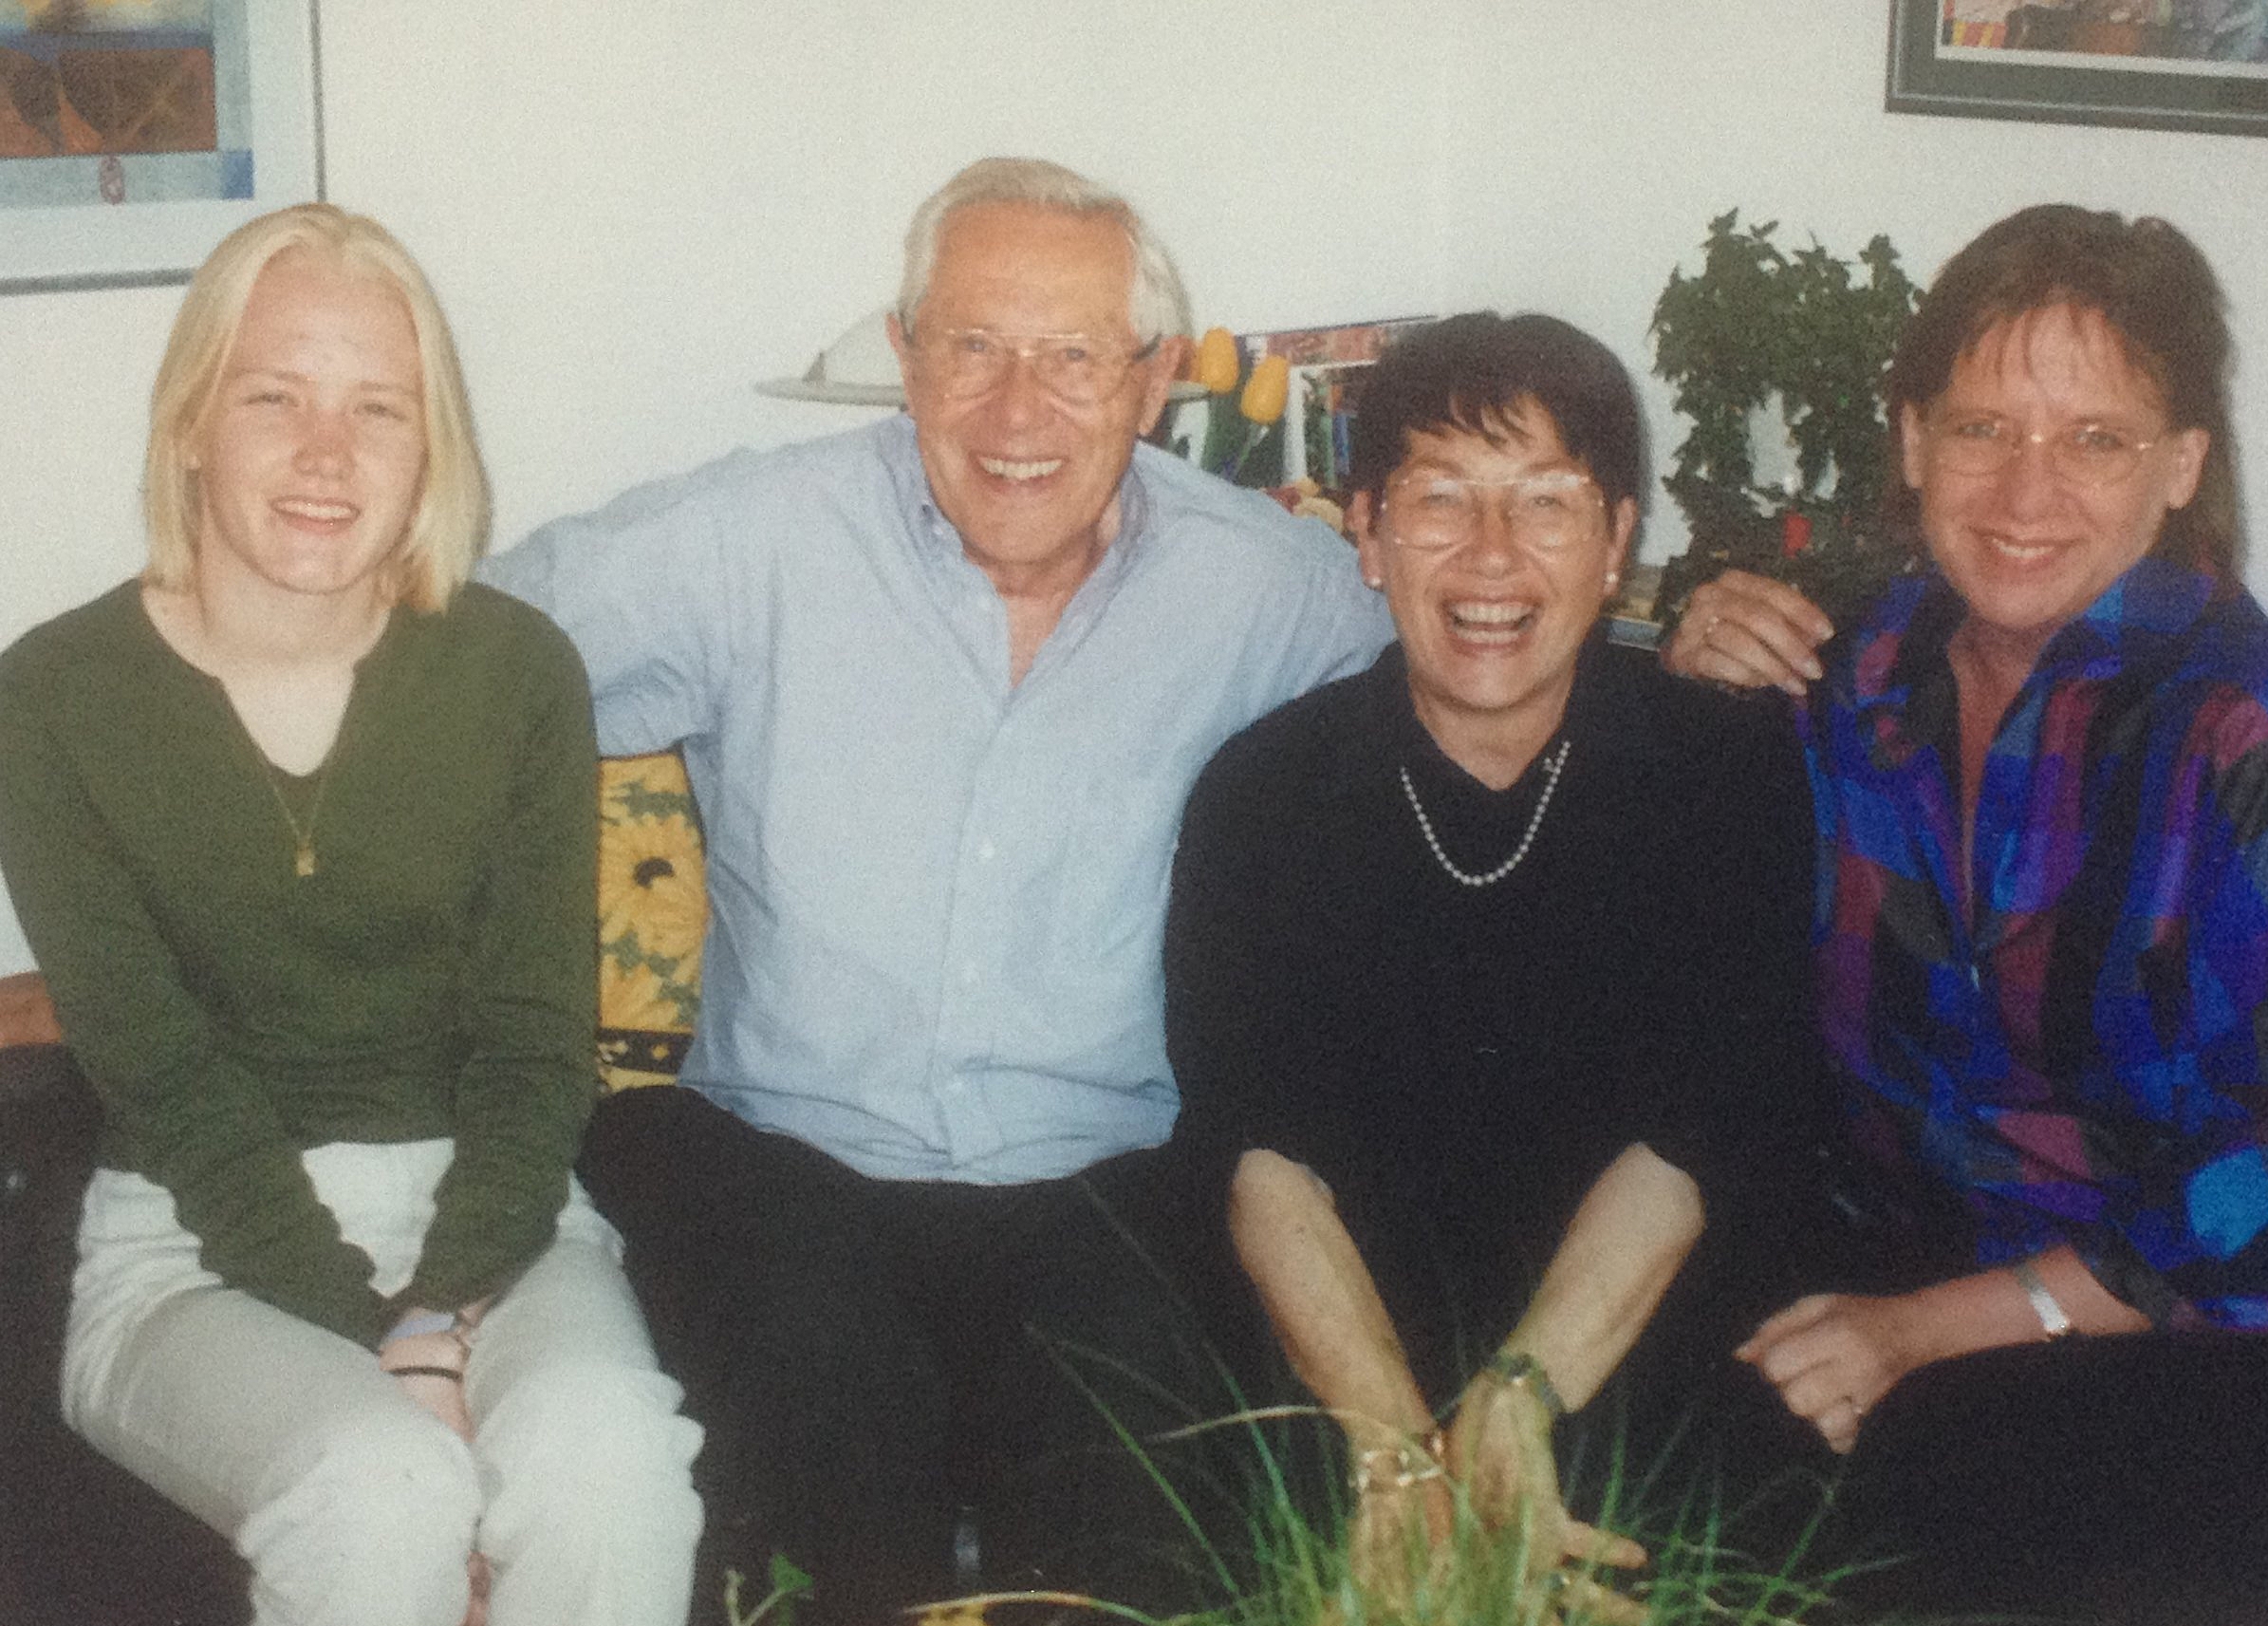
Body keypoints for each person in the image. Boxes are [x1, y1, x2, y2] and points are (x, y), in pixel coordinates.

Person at [479, 157, 1393, 1620]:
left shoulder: (1268, 589)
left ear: (1152, 379)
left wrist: (1703, 650)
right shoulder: (753, 542)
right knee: (838, 1461)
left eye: (1073, 356)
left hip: (1114, 1168)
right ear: (904, 357)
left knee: (1133, 1497)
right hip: (788, 1158)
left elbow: (1488, 683)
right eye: (970, 347)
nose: (1015, 410)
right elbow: (461, 660)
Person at [0, 205, 702, 1626]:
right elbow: (167, 1083)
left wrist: (441, 1317)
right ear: (192, 421)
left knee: (611, 1461)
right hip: (193, 1246)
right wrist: (387, 1344)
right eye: (275, 396)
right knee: (380, 1486)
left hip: (502, 1219)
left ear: (428, 447)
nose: (329, 453)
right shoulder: (53, 697)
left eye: (378, 407)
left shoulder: (515, 673)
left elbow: (530, 1041)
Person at [1665, 205, 2268, 1614]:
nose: (2023, 490)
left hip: (2190, 1327)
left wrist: (1919, 1333)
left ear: (2180, 468)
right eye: (1981, 428)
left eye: (2094, 439)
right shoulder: (1858, 666)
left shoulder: (2258, 729)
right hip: (1888, 1253)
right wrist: (1688, 660)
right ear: (1914, 440)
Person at [1164, 313, 1827, 1614]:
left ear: (1619, 541)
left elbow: (1702, 1133)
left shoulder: (1726, 775)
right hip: (1343, 1350)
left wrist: (1517, 1406)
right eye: (1439, 500)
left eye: (1547, 504)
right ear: (1364, 533)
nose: (1492, 558)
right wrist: (1401, 1454)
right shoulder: (1267, 792)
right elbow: (1259, 1157)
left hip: (1630, 1332)